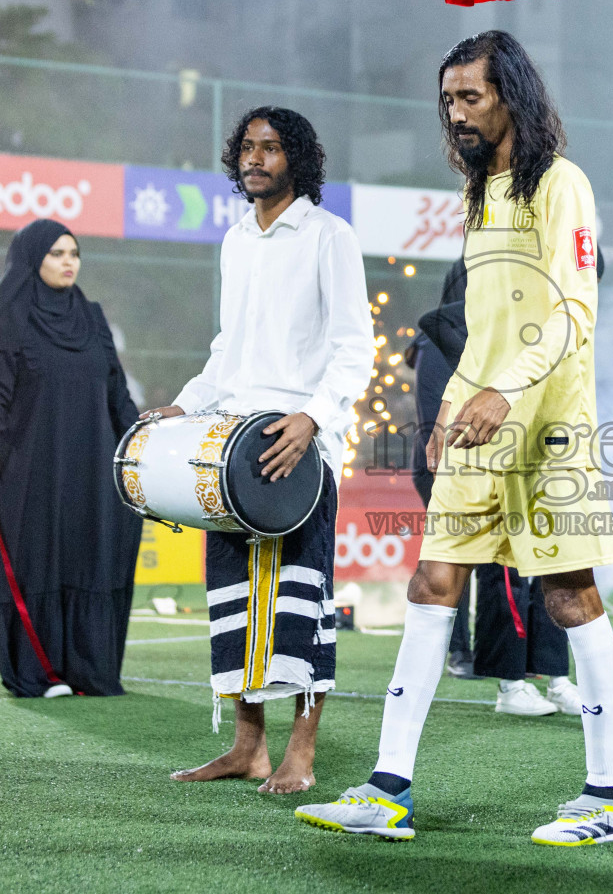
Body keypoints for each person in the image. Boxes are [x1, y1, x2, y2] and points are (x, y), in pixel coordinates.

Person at [297, 31, 613, 845]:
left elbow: (571, 314)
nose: (456, 113)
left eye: (470, 96)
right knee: (432, 581)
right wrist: (448, 412)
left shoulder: (563, 184)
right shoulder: (482, 190)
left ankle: (604, 800)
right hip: (476, 419)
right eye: (448, 99)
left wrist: (505, 391)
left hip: (548, 424)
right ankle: (385, 789)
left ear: (510, 93)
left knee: (568, 594)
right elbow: (486, 323)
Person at [157, 106, 375, 794]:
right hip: (231, 444)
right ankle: (247, 746)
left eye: (272, 148)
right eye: (248, 147)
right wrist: (186, 406)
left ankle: (300, 753)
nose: (256, 158)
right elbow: (229, 351)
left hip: (298, 444)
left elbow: (353, 346)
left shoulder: (329, 236)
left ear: (297, 159)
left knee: (300, 601)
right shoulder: (235, 240)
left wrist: (312, 417)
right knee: (236, 602)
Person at [0, 220, 145, 699]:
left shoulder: (91, 316)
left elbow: (115, 390)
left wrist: (143, 443)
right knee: (37, 560)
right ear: (32, 260)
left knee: (92, 556)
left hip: (91, 466)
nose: (69, 262)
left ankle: (89, 669)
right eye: (57, 253)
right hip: (30, 467)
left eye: (75, 253)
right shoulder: (10, 317)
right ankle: (38, 671)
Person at [416, 255, 589, 714]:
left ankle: (553, 675)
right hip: (461, 463)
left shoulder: (519, 332)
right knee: (494, 571)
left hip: (519, 457)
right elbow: (439, 420)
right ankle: (507, 681)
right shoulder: (441, 337)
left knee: (549, 561)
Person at [408, 257, 476, 679]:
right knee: (457, 555)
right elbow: (436, 419)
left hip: (464, 457)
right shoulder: (438, 343)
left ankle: (479, 651)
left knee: (472, 555)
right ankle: (458, 652)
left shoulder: (467, 337)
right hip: (440, 462)